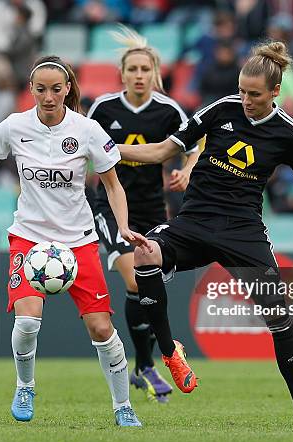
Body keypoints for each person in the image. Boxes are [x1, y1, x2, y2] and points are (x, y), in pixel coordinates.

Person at [117, 41, 293, 428]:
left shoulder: (289, 134)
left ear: (276, 92)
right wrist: (100, 149)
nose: (245, 100)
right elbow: (158, 152)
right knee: (145, 253)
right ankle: (170, 352)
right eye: (241, 91)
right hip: (194, 222)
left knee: (279, 316)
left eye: (254, 94)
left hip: (243, 232)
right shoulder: (221, 109)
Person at [0, 55, 148, 426]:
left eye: (56, 89)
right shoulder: (14, 126)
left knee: (102, 328)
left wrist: (122, 226)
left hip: (78, 240)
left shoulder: (87, 131)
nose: (48, 96)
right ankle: (25, 386)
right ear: (31, 90)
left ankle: (122, 406)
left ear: (68, 89)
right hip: (30, 238)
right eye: (41, 89)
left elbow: (113, 185)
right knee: (27, 322)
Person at [87, 27, 199, 403]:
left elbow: (197, 142)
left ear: (155, 74)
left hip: (153, 208)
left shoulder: (168, 111)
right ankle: (149, 364)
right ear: (122, 73)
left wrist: (188, 168)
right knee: (137, 281)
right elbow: (86, 148)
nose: (138, 75)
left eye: (144, 69)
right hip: (111, 205)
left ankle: (142, 366)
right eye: (132, 69)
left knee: (148, 287)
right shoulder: (103, 108)